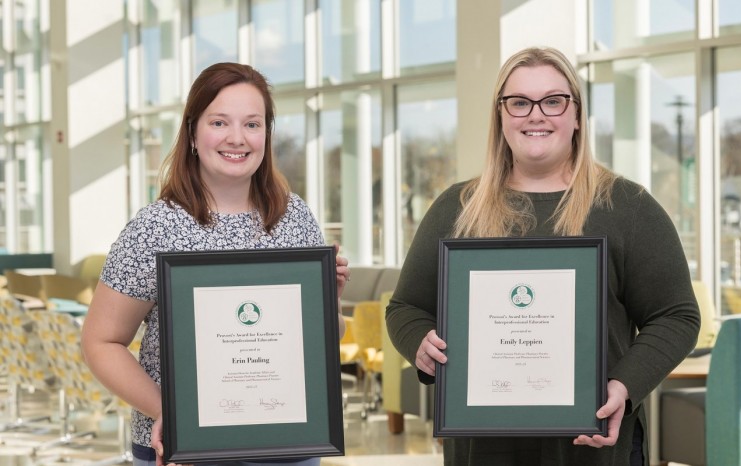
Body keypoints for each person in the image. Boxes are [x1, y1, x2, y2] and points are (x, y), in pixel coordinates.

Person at [385, 46, 700, 465]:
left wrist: (624, 385)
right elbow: (406, 307)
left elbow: (676, 315)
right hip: (482, 448)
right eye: (519, 102)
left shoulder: (628, 207)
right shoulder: (456, 207)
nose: (536, 114)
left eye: (553, 101)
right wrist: (420, 343)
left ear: (576, 115)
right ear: (500, 116)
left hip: (591, 447)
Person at [81, 62, 350, 466]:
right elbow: (100, 341)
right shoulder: (154, 227)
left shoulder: (294, 218)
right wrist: (166, 413)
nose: (237, 138)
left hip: (287, 444)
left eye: (253, 124)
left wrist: (327, 302)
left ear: (267, 134)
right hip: (181, 449)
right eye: (219, 122)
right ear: (192, 132)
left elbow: (324, 340)